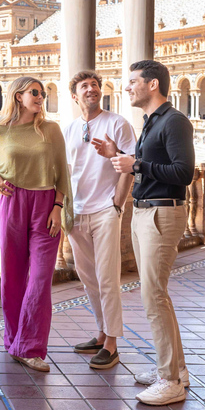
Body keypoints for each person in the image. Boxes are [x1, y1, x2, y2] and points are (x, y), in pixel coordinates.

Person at [107, 60, 195, 406]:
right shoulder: (152, 123)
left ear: (153, 84)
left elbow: (183, 172)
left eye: (133, 82)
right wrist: (123, 158)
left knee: (153, 297)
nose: (127, 87)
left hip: (162, 212)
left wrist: (137, 165)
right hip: (146, 212)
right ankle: (175, 370)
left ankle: (169, 380)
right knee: (157, 295)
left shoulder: (174, 122)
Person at [0, 76, 73, 373]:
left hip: (45, 205)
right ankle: (13, 341)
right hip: (12, 204)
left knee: (39, 279)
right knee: (11, 276)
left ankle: (30, 346)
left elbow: (62, 170)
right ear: (18, 96)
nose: (41, 97)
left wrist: (58, 207)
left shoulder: (51, 130)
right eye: (35, 92)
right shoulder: (1, 130)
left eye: (43, 92)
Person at [63, 71, 135, 369]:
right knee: (88, 277)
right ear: (75, 96)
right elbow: (67, 171)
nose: (92, 89)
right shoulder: (69, 129)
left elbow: (130, 165)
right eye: (85, 86)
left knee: (107, 277)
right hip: (77, 213)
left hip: (105, 210)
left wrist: (117, 204)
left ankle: (113, 343)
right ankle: (101, 331)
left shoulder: (117, 123)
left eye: (95, 85)